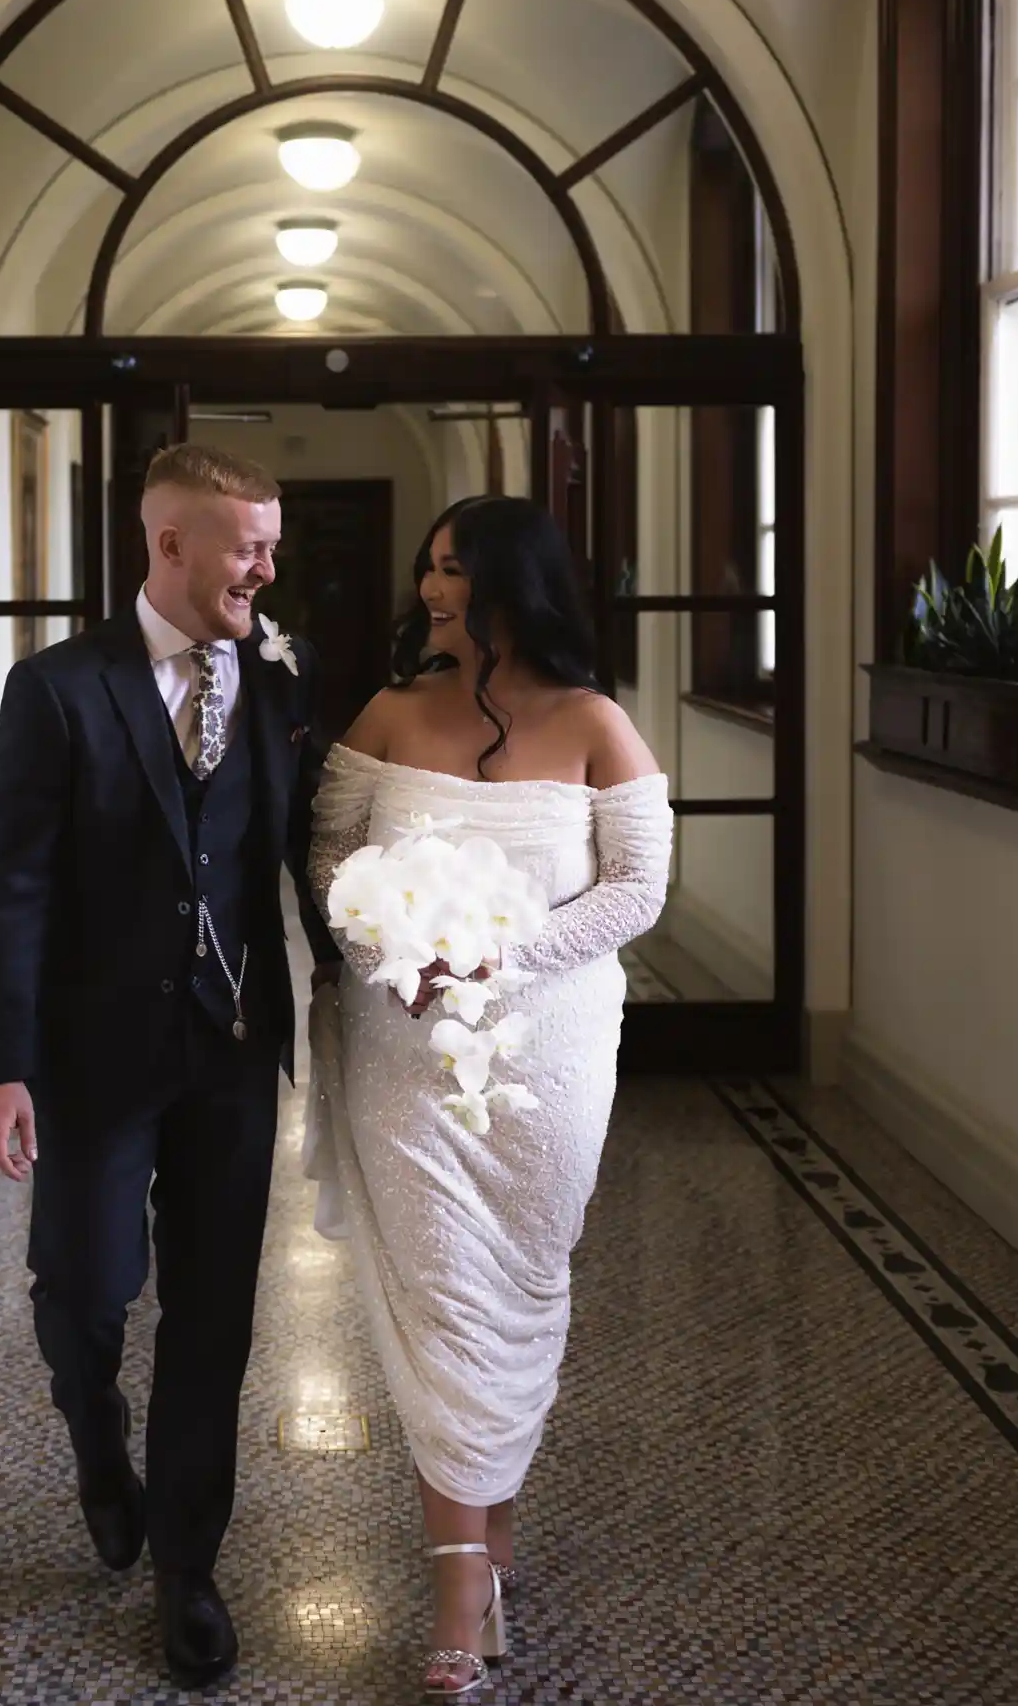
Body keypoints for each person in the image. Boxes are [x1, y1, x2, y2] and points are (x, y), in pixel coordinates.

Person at [0, 443, 339, 1689]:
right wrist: (2, 1064)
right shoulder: (59, 688)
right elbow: (12, 882)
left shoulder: (282, 679)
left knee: (215, 1315)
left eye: (271, 544)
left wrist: (375, 970)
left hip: (232, 1055)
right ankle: (94, 1433)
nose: (268, 567)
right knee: (84, 1283)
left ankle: (190, 1561)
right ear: (170, 543)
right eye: (248, 545)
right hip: (94, 1052)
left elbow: (303, 849)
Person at [305, 495, 673, 1697]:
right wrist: (396, 956)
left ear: (516, 580)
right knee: (443, 1294)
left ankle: (489, 1540)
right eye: (428, 565)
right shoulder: (391, 711)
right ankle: (461, 1585)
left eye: (454, 567)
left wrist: (498, 962)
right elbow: (328, 861)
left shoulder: (597, 723)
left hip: (551, 1055)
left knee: (518, 1284)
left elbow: (634, 891)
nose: (431, 586)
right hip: (405, 1053)